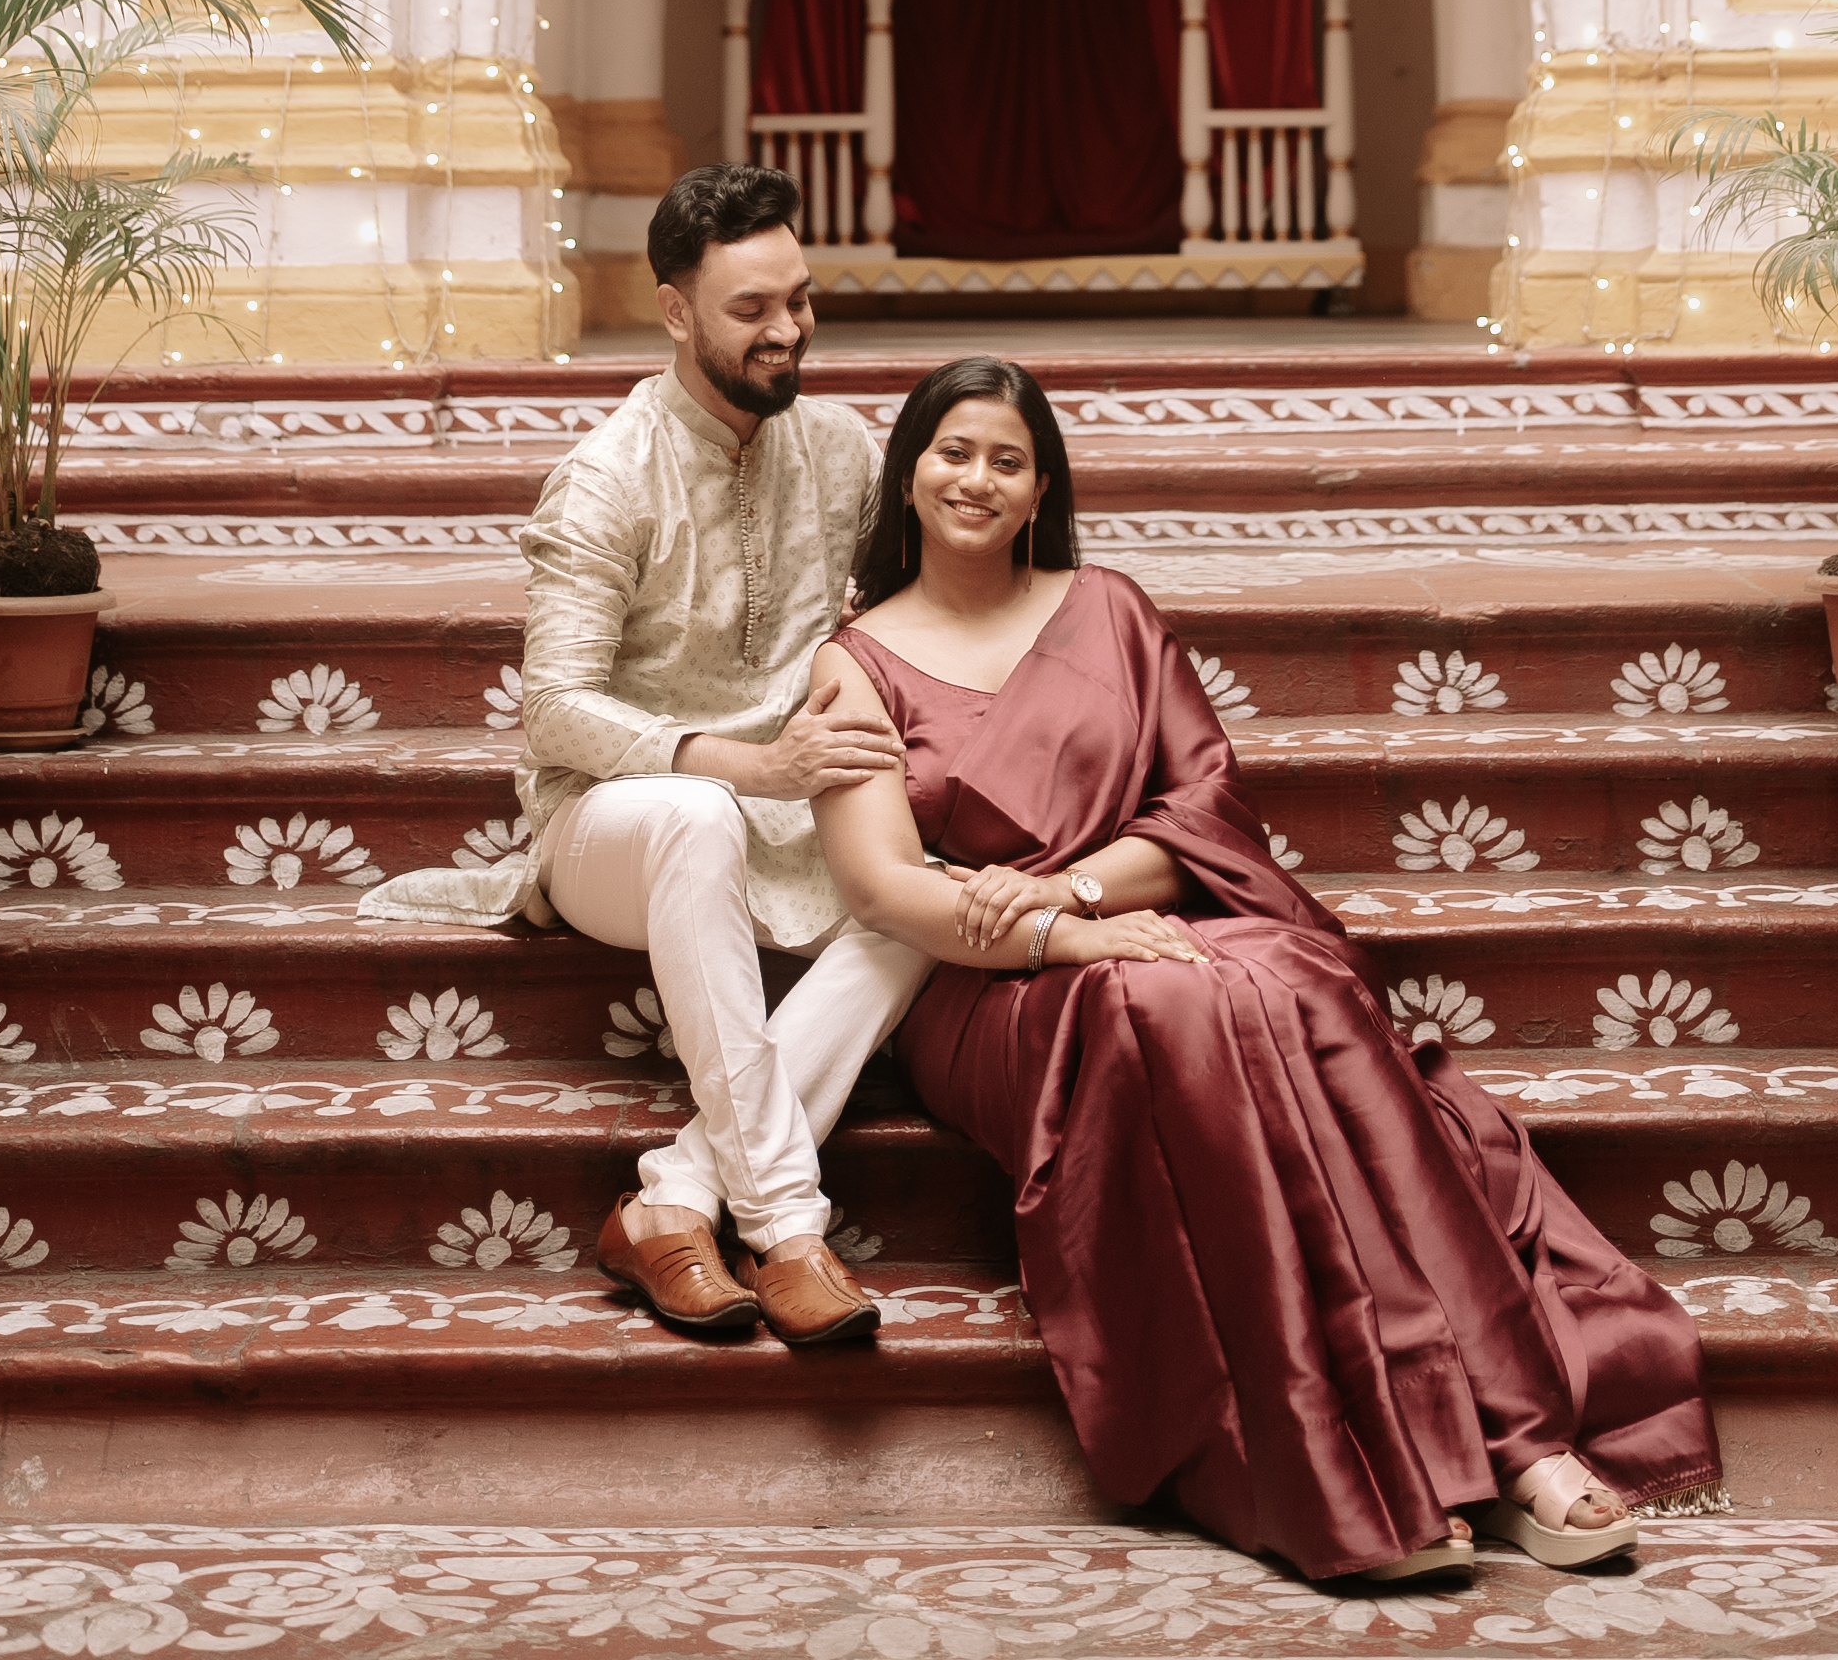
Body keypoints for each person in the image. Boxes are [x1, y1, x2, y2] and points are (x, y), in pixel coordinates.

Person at [807, 355, 1723, 1589]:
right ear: (907, 476)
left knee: (1287, 981)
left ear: (1041, 489)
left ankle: (1510, 1441)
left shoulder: (1111, 611)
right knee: (1167, 1002)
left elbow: (1204, 806)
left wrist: (1081, 886)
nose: (977, 479)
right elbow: (880, 887)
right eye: (952, 452)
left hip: (1131, 911)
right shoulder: (855, 663)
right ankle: (1339, 1468)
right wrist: (1058, 936)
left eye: (1007, 460)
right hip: (986, 985)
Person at [368, 162, 927, 1345]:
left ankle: (672, 1202)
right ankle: (785, 1224)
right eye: (752, 311)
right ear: (676, 311)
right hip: (614, 824)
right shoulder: (607, 476)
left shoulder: (838, 450)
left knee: (921, 891)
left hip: (791, 815)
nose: (788, 333)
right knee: (698, 816)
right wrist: (744, 763)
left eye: (800, 301)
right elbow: (555, 710)